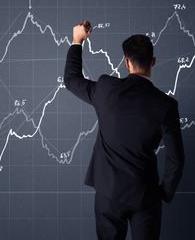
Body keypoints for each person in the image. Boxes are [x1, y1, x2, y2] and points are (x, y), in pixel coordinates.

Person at [63, 20, 185, 240]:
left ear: (126, 62)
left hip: (108, 194)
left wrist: (77, 40)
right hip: (145, 195)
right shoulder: (166, 105)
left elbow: (71, 80)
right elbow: (176, 159)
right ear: (153, 62)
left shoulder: (105, 89)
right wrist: (163, 193)